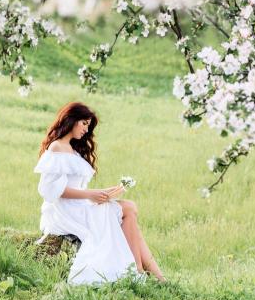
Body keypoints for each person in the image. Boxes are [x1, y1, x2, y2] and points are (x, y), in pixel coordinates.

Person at [34, 101, 165, 285]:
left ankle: (155, 276)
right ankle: (139, 271)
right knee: (128, 209)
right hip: (65, 211)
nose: (86, 130)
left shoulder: (73, 148)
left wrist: (106, 193)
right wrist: (91, 195)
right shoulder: (57, 147)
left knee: (129, 212)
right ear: (71, 120)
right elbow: (53, 190)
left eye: (89, 125)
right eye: (84, 123)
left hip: (80, 204)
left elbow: (80, 189)